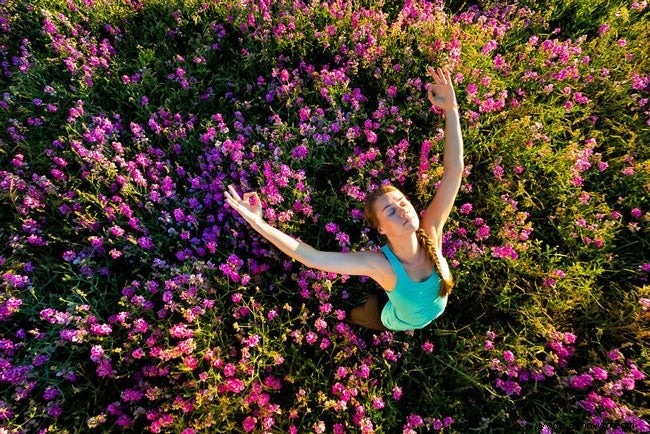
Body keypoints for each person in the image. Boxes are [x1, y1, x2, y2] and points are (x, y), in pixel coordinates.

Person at [224, 67, 464, 331]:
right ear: (381, 229)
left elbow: (454, 171)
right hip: (391, 320)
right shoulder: (380, 265)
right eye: (391, 212)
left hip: (418, 309)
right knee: (361, 316)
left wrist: (451, 110)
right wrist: (259, 223)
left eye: (403, 204)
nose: (404, 211)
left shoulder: (431, 231)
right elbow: (311, 257)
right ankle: (355, 316)